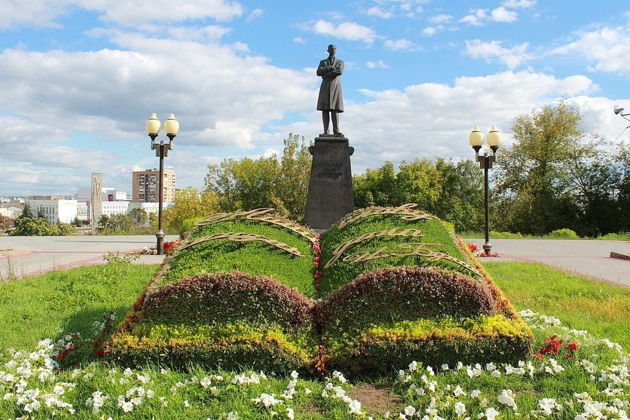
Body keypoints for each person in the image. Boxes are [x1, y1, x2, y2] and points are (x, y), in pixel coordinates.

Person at [317, 44, 344, 135]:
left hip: (335, 86)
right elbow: (318, 72)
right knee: (325, 108)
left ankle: (336, 130)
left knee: (334, 108)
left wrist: (326, 74)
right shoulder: (323, 62)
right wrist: (329, 68)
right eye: (331, 49)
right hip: (325, 86)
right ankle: (326, 130)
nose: (333, 50)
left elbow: (339, 71)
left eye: (334, 49)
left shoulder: (340, 62)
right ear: (328, 50)